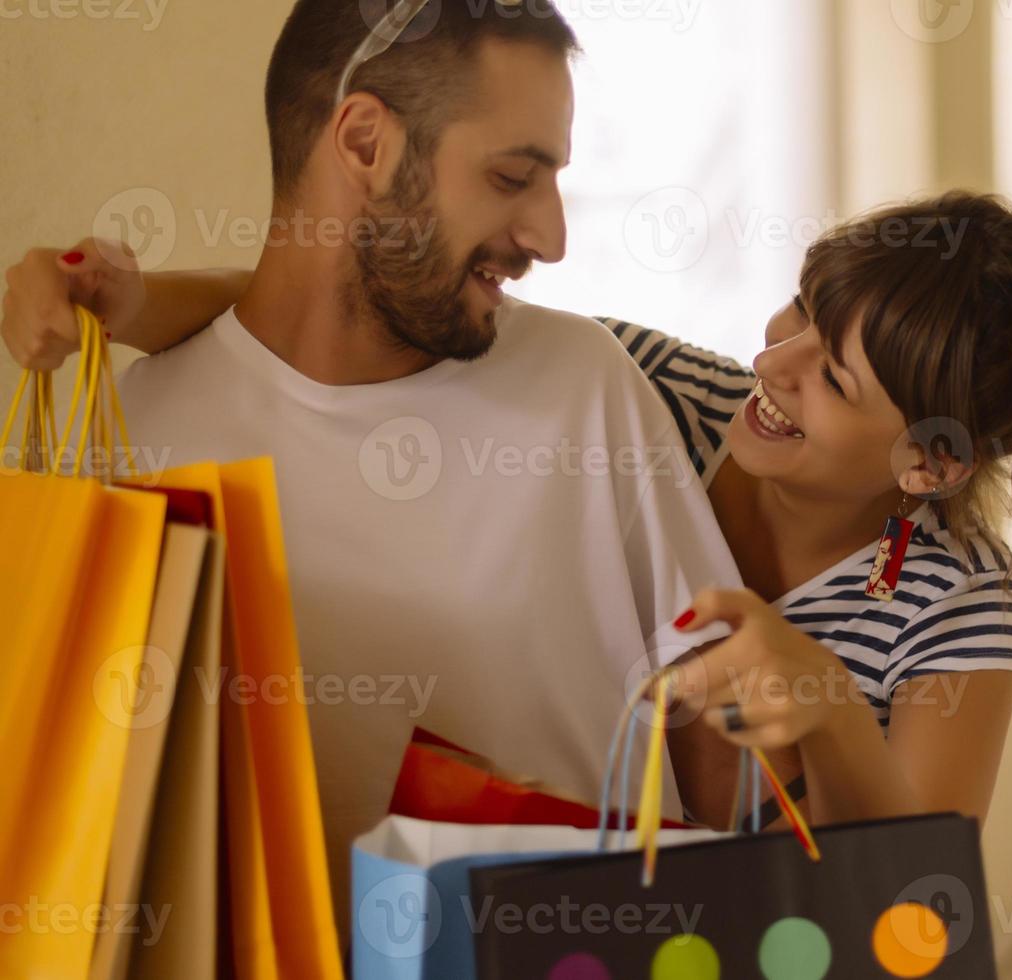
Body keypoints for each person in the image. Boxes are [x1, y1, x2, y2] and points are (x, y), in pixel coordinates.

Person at [5, 193, 1012, 834]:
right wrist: (130, 301)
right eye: (795, 314)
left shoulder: (958, 601)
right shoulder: (643, 393)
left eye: (832, 378)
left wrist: (822, 705)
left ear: (928, 467)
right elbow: (338, 334)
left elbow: (916, 900)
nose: (771, 364)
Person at [1, 0, 744, 924]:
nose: (551, 237)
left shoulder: (581, 385)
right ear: (364, 143)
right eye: (513, 176)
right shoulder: (134, 435)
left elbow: (725, 750)